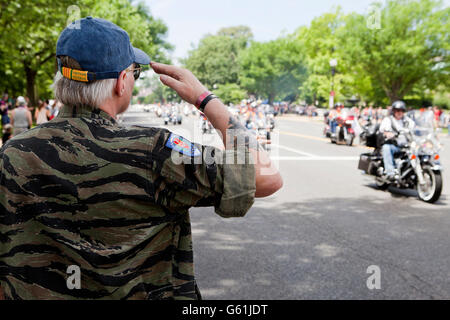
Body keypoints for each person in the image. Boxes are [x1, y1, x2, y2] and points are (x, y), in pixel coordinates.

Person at [0, 17, 282, 300]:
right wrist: (204, 98)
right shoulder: (153, 151)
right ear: (122, 82)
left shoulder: (12, 153)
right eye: (134, 72)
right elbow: (266, 176)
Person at [379, 100, 415, 180]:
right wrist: (388, 134)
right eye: (397, 110)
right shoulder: (388, 120)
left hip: (407, 146)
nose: (400, 112)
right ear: (394, 111)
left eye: (402, 110)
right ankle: (390, 172)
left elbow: (415, 128)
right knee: (386, 148)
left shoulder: (407, 120)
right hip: (394, 145)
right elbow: (383, 130)